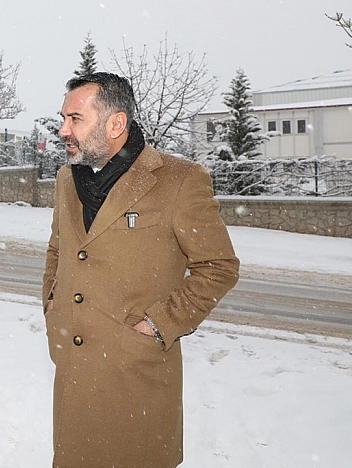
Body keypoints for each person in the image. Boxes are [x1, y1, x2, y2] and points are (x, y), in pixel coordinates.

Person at [42, 72, 240, 468]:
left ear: (116, 123)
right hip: (74, 371)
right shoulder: (68, 179)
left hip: (137, 375)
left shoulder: (179, 181)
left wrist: (159, 324)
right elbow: (59, 249)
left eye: (75, 119)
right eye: (63, 118)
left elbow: (218, 267)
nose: (63, 129)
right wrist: (53, 303)